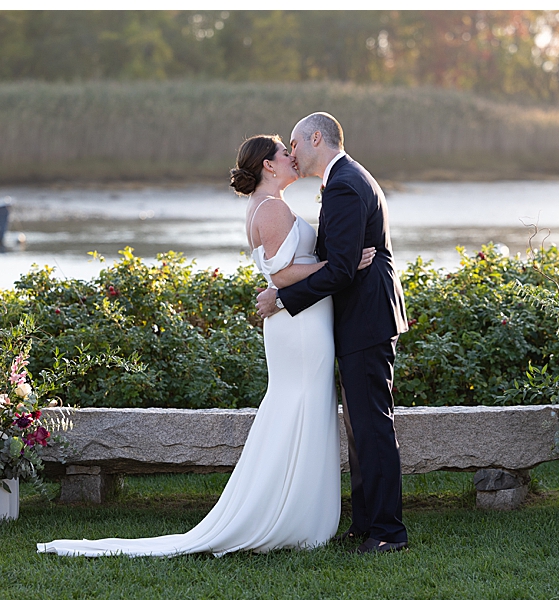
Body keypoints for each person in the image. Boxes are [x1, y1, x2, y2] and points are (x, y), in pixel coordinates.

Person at [38, 135, 375, 557]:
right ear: (269, 166)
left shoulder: (271, 206)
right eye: (284, 153)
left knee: (305, 406)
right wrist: (341, 265)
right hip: (299, 325)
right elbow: (283, 274)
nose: (293, 157)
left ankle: (299, 504)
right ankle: (286, 511)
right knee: (298, 405)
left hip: (303, 321)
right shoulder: (269, 209)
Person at [256, 112, 410, 554]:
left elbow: (342, 269)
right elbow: (341, 259)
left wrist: (282, 299)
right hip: (364, 316)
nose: (292, 152)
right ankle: (366, 523)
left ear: (316, 138)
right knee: (360, 427)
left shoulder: (343, 182)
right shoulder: (344, 177)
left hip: (365, 318)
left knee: (372, 426)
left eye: (295, 143)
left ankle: (387, 532)